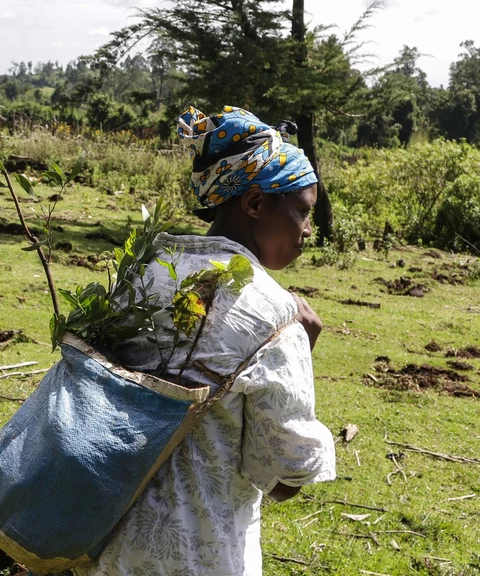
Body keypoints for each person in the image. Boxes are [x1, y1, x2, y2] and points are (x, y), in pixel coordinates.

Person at [74, 106, 336, 576]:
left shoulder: (144, 273)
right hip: (199, 555)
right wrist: (300, 355)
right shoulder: (275, 313)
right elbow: (279, 477)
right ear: (254, 204)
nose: (308, 230)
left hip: (103, 545)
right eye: (301, 211)